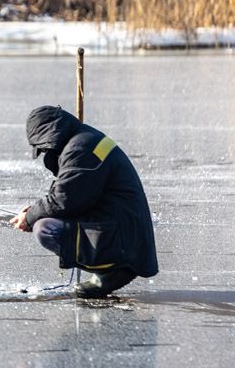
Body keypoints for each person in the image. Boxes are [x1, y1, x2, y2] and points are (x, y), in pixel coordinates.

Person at [9, 105, 157, 297]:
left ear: (49, 136)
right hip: (118, 225)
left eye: (44, 148)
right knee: (46, 220)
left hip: (123, 238)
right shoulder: (84, 139)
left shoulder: (80, 148)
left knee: (45, 229)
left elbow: (64, 200)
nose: (45, 152)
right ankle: (109, 268)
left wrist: (29, 217)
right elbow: (76, 194)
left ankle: (114, 270)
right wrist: (35, 211)